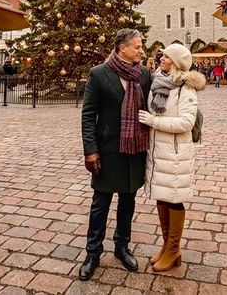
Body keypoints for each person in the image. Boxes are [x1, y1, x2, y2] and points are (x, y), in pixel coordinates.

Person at [79, 29, 152, 281]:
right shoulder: (99, 73)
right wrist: (90, 150)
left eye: (141, 46)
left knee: (128, 200)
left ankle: (122, 246)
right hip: (108, 150)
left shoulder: (143, 74)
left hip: (134, 149)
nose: (141, 51)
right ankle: (93, 252)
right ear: (122, 48)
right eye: (137, 47)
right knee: (101, 203)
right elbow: (89, 115)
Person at [138, 44, 205, 272]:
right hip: (157, 152)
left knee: (174, 198)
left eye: (166, 56)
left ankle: (174, 249)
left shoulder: (186, 88)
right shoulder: (158, 82)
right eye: (162, 54)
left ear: (175, 62)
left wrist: (153, 122)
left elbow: (186, 123)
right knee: (162, 196)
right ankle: (167, 246)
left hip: (176, 153)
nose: (161, 57)